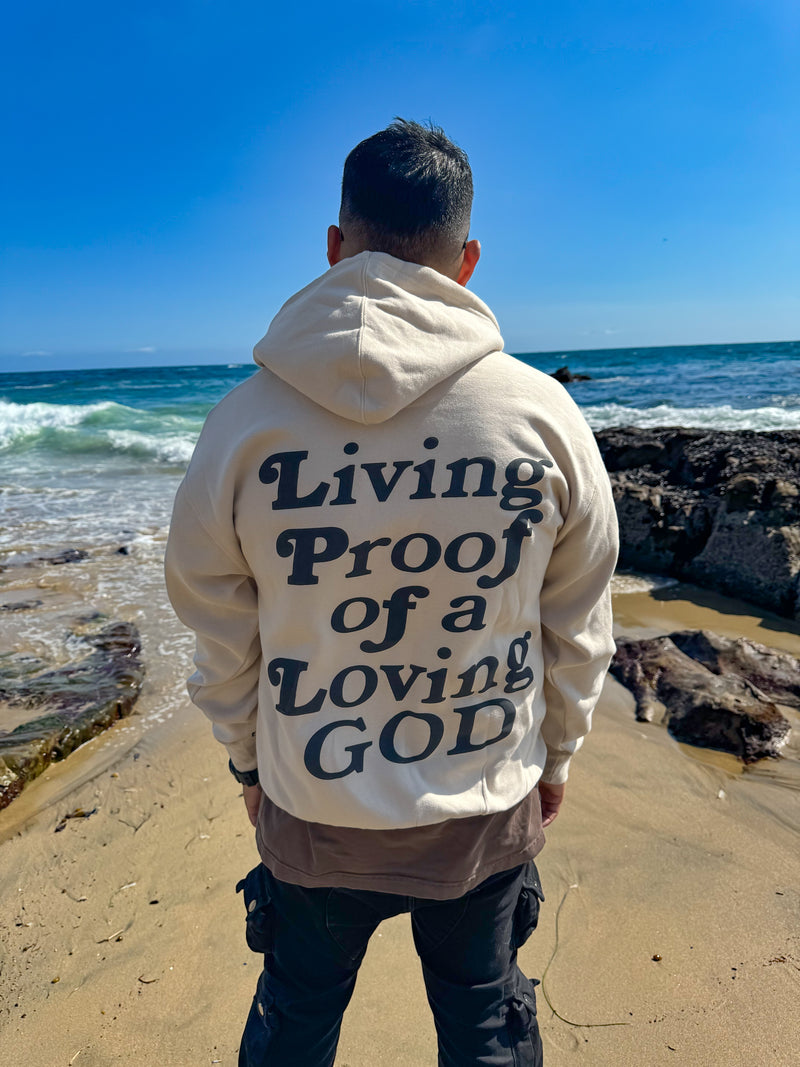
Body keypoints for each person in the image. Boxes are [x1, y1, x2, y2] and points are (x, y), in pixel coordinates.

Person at [165, 118, 618, 1066]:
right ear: (468, 261)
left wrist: (249, 765)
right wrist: (558, 757)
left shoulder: (242, 424)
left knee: (295, 1020)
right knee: (484, 1021)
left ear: (336, 245)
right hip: (482, 804)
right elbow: (578, 626)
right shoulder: (544, 415)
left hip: (312, 807)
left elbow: (217, 627)